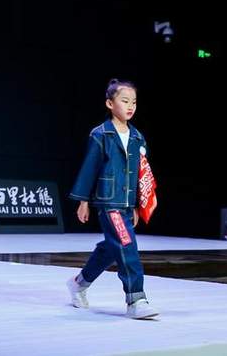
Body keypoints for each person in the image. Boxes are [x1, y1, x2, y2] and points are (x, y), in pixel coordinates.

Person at [66, 78, 159, 319]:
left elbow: (140, 173)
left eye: (134, 102)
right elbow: (90, 168)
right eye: (125, 101)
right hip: (109, 202)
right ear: (110, 103)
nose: (130, 106)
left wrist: (138, 204)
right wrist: (83, 200)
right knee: (126, 244)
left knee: (111, 247)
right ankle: (136, 299)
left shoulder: (137, 137)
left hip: (127, 203)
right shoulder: (101, 134)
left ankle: (79, 283)